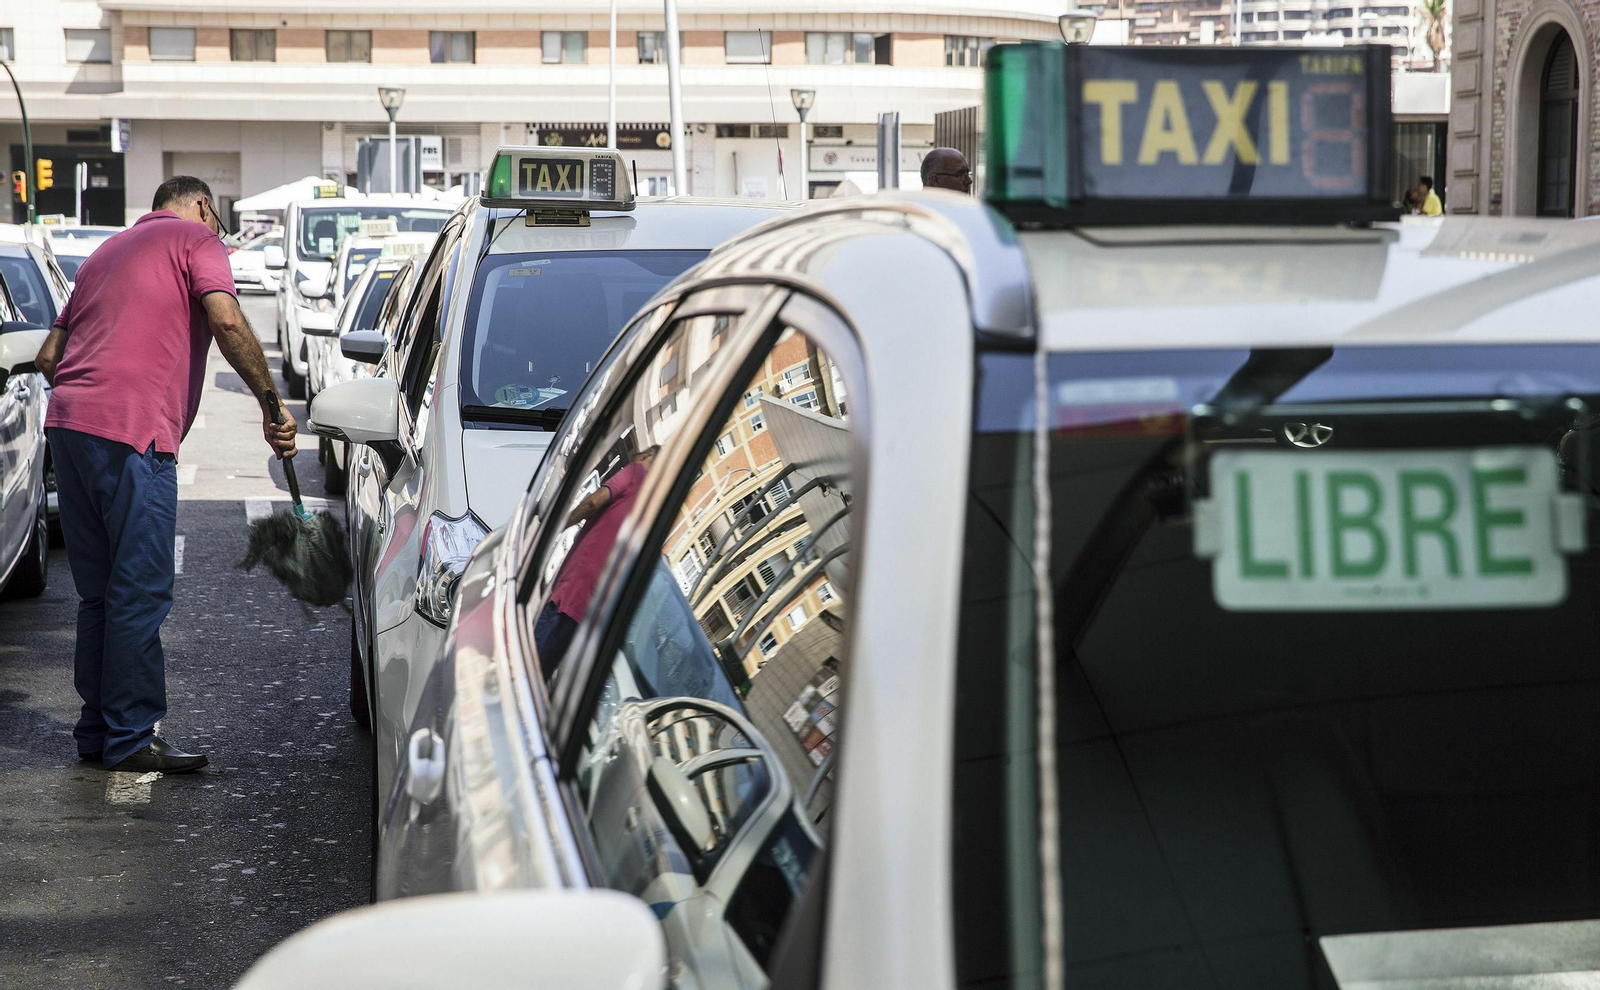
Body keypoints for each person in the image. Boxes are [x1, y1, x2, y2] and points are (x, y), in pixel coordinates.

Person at [33, 175, 297, 774]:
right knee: (141, 588)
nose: (218, 235)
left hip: (69, 425)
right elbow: (227, 322)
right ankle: (130, 737)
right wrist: (271, 405)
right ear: (203, 207)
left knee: (98, 594)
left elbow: (51, 357)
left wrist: (93, 397)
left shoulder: (104, 253)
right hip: (134, 432)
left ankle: (97, 732)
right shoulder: (197, 241)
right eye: (218, 223)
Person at [533, 445, 660, 679]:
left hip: (575, 586)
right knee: (543, 673)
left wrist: (558, 525)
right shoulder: (652, 509)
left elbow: (593, 502)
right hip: (593, 604)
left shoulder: (635, 473)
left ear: (648, 455)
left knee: (528, 665)